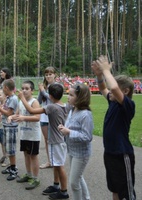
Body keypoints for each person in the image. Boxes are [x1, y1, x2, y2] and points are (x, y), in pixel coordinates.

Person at [92, 55, 136, 200]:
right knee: (115, 189)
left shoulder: (128, 105)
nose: (110, 91)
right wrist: (99, 75)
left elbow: (113, 87)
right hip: (110, 153)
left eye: (115, 90)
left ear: (125, 92)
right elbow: (104, 88)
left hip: (122, 155)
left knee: (126, 194)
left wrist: (106, 70)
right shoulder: (113, 103)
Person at [19, 83, 70, 199]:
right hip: (60, 140)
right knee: (56, 164)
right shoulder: (64, 105)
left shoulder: (51, 107)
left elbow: (32, 110)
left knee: (59, 166)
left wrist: (22, 98)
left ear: (50, 96)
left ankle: (64, 191)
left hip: (55, 141)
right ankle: (56, 185)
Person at [58, 83, 93, 200]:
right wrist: (63, 127)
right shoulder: (73, 110)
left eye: (71, 95)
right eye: (68, 94)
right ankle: (86, 197)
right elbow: (70, 127)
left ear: (80, 98)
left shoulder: (85, 115)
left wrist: (69, 132)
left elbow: (87, 137)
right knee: (78, 177)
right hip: (72, 151)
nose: (68, 97)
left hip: (81, 153)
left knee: (73, 182)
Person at [11, 80, 41, 190]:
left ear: (32, 91)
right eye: (22, 88)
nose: (24, 90)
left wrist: (23, 118)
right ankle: (28, 174)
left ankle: (35, 178)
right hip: (24, 133)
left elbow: (37, 117)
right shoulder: (20, 102)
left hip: (33, 135)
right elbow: (18, 114)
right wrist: (12, 117)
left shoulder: (34, 102)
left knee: (33, 156)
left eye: (27, 89)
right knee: (26, 154)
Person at [0, 79, 19, 181]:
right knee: (8, 148)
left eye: (3, 87)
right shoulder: (8, 98)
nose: (2, 90)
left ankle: (14, 169)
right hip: (6, 125)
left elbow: (9, 113)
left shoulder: (13, 99)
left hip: (11, 126)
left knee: (11, 150)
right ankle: (11, 166)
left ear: (6, 88)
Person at [37, 66, 56, 169]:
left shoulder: (57, 86)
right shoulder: (44, 86)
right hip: (44, 116)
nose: (48, 76)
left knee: (54, 139)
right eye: (46, 74)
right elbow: (39, 101)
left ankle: (55, 160)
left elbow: (54, 99)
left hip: (54, 116)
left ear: (54, 75)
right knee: (46, 139)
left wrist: (43, 91)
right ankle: (49, 161)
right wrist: (41, 91)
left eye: (50, 74)